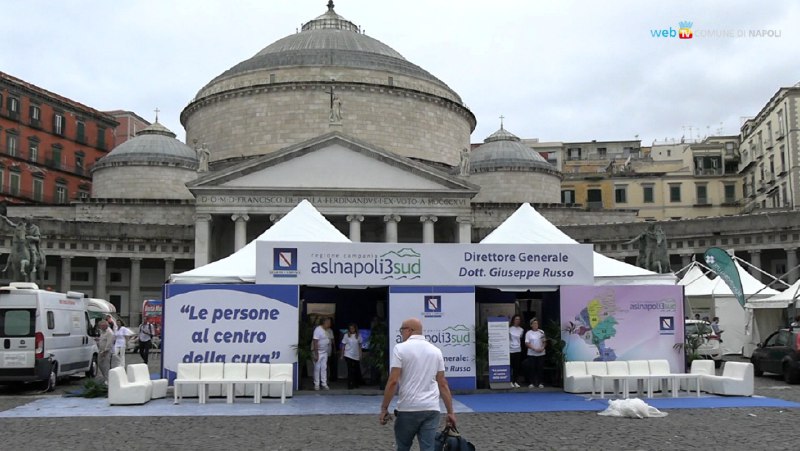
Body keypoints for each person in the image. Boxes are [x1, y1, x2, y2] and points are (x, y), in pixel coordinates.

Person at [379, 318, 455, 451]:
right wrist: (450, 412)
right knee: (428, 448)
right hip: (431, 408)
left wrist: (384, 408)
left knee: (403, 447)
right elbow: (442, 383)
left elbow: (393, 381)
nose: (401, 333)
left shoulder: (400, 349)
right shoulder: (436, 351)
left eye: (402, 330)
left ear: (409, 330)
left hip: (408, 408)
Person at [524, 318, 547, 388]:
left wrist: (542, 348)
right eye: (534, 323)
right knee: (532, 368)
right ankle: (532, 383)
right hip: (532, 353)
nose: (535, 325)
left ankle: (540, 383)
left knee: (540, 368)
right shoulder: (528, 333)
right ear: (531, 325)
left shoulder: (541, 332)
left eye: (536, 323)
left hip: (541, 353)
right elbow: (527, 343)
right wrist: (534, 348)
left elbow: (545, 341)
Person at [312, 317, 332, 390]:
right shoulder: (318, 330)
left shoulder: (327, 330)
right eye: (329, 322)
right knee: (317, 368)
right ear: (324, 322)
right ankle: (316, 384)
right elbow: (315, 342)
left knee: (324, 368)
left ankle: (324, 383)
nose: (330, 324)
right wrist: (316, 354)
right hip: (318, 352)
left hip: (325, 352)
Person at [341, 323, 363, 389]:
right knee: (350, 370)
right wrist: (342, 355)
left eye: (353, 328)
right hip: (348, 354)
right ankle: (350, 384)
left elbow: (360, 346)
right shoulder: (346, 335)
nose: (351, 330)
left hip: (356, 355)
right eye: (350, 328)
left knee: (356, 370)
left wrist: (360, 354)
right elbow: (343, 345)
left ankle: (356, 383)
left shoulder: (358, 336)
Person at [508, 315, 524, 388]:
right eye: (516, 319)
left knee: (516, 367)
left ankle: (516, 382)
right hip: (510, 350)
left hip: (518, 350)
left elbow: (520, 339)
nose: (518, 320)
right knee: (511, 366)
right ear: (513, 320)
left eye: (519, 319)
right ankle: (510, 381)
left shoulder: (521, 330)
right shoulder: (509, 329)